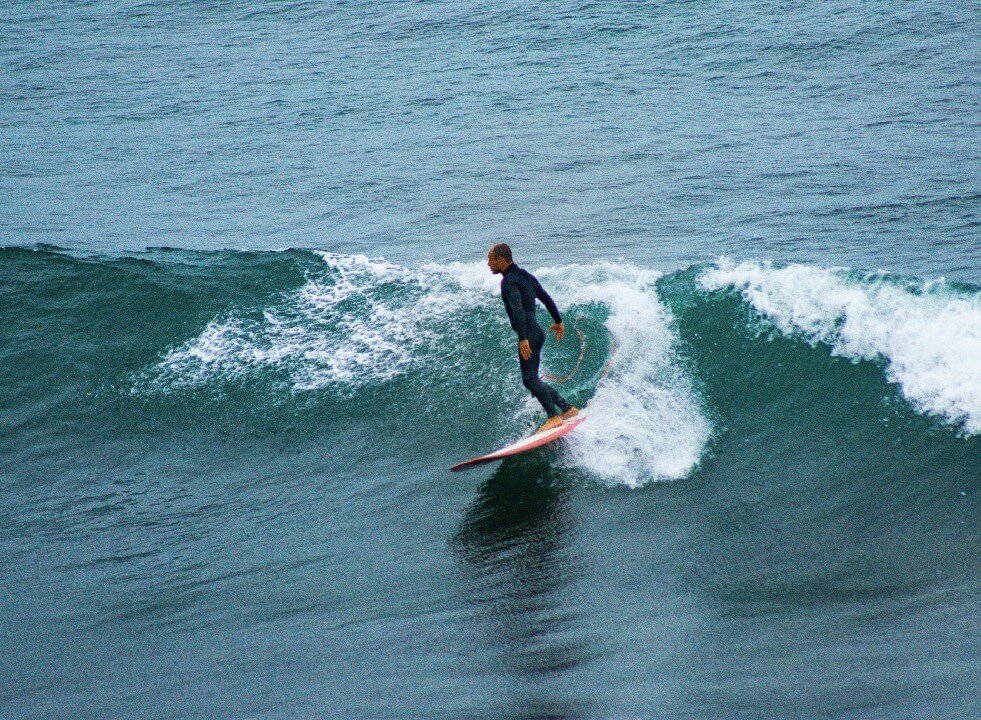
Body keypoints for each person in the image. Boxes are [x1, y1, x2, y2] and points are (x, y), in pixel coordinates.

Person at [487, 243, 579, 433]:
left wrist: (522, 339)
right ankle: (567, 409)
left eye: (490, 260)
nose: (488, 264)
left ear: (501, 260)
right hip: (536, 332)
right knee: (532, 378)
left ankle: (553, 417)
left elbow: (518, 309)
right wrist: (558, 320)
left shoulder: (509, 282)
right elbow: (545, 298)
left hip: (529, 333)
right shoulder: (526, 276)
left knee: (529, 379)